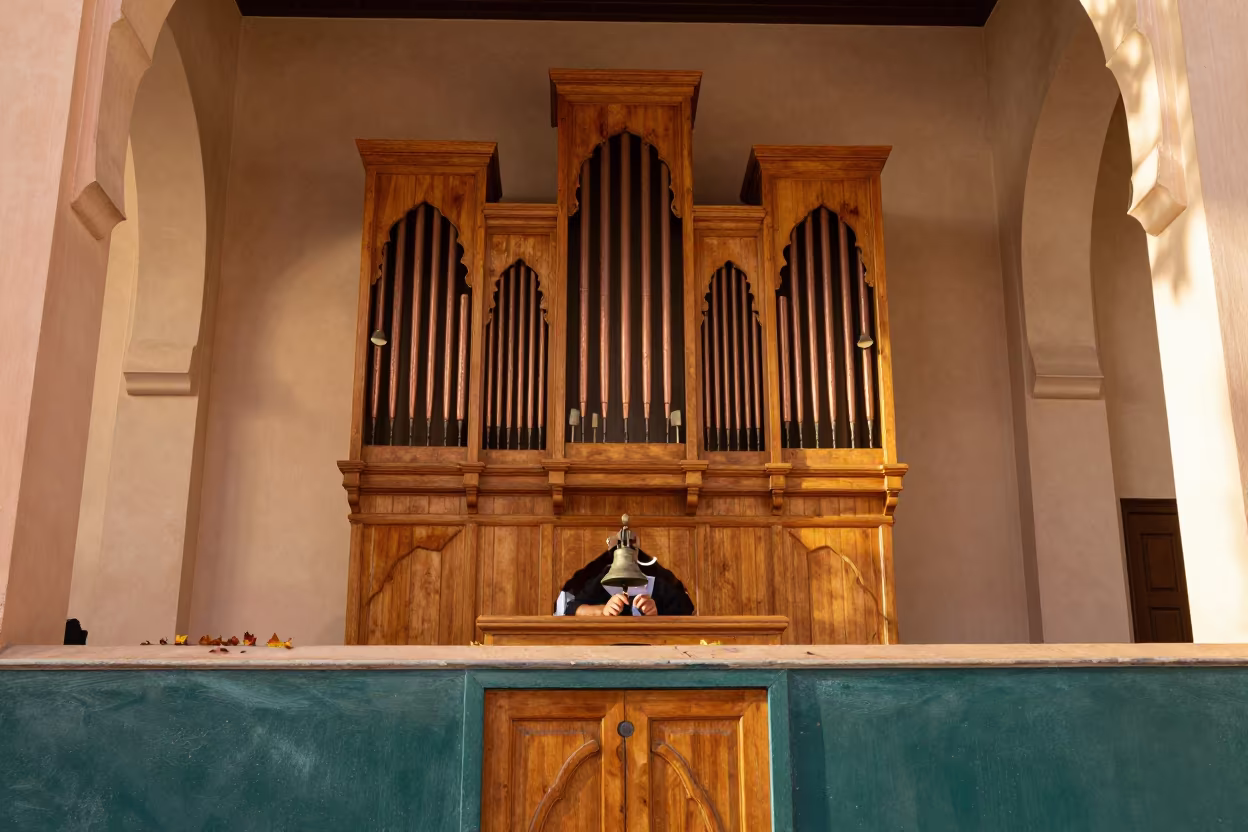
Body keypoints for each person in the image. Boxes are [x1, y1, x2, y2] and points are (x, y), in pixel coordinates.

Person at [555, 544, 695, 617]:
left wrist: (656, 614)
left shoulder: (659, 586)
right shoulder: (601, 582)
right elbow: (571, 608)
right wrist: (603, 610)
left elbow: (686, 611)